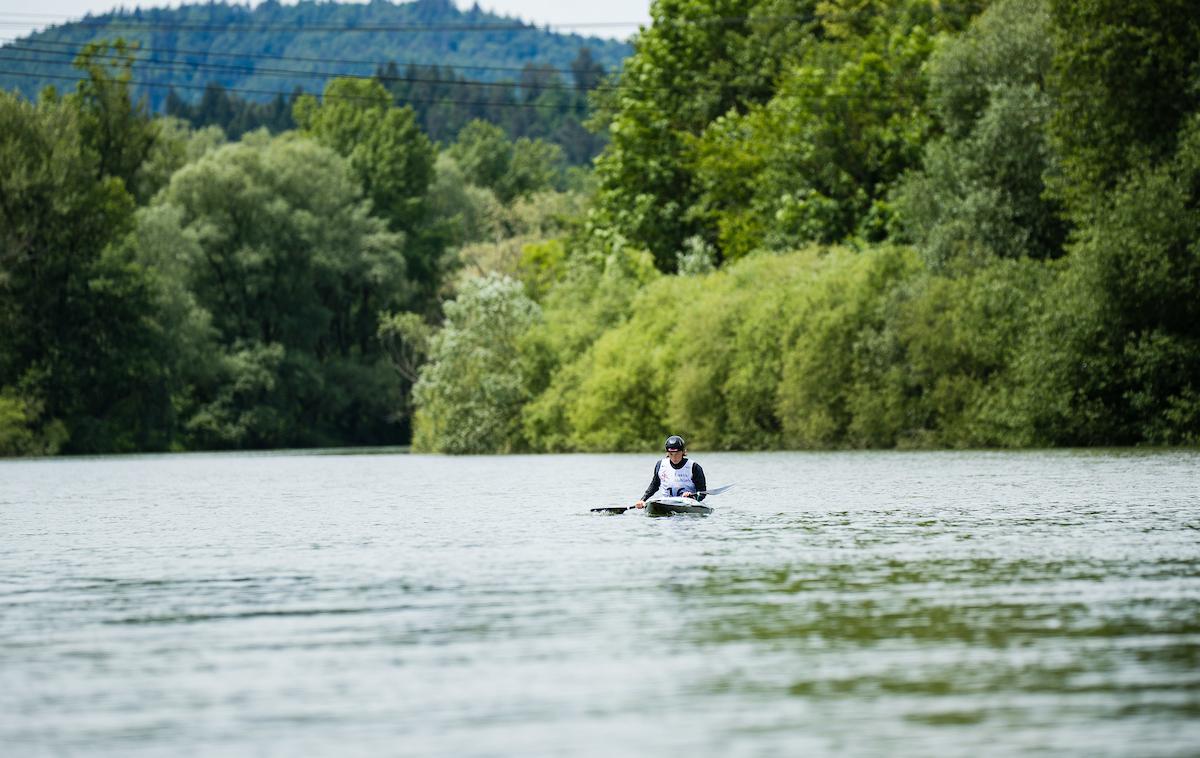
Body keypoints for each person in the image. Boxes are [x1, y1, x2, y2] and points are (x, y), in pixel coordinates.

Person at [634, 435, 707, 509]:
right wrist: (643, 500)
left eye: (677, 453)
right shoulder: (661, 465)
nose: (674, 457)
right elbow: (654, 485)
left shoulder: (694, 467)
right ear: (667, 453)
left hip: (688, 503)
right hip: (666, 502)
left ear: (683, 452)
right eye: (671, 454)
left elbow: (702, 492)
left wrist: (693, 497)